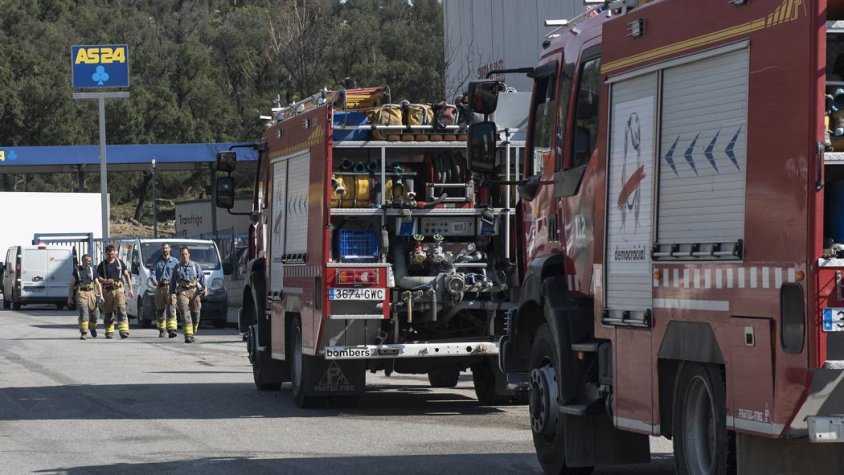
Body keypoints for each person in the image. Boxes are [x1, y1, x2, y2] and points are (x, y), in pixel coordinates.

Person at [170, 247, 207, 343]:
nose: (184, 256)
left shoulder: (195, 266)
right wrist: (171, 294)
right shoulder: (177, 267)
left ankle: (192, 331)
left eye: (185, 254)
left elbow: (202, 277)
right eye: (182, 254)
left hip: (194, 291)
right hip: (182, 291)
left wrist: (205, 288)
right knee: (185, 313)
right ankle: (188, 335)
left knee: (196, 314)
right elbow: (173, 281)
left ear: (189, 254)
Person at [97, 244, 134, 339]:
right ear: (106, 254)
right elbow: (98, 279)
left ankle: (124, 331)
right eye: (109, 254)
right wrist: (106, 281)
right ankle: (109, 332)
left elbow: (126, 275)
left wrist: (130, 289)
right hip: (107, 291)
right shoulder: (102, 265)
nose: (110, 256)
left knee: (121, 309)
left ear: (115, 253)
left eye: (112, 254)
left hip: (119, 290)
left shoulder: (120, 263)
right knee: (108, 312)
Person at [68, 254, 104, 340]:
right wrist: (70, 297)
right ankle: (84, 333)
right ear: (83, 261)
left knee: (95, 314)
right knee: (84, 313)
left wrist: (101, 296)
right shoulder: (76, 271)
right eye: (87, 260)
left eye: (89, 260)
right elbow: (71, 285)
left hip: (91, 293)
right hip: (81, 293)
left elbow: (98, 284)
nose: (89, 262)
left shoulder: (92, 270)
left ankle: (92, 327)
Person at [150, 243, 179, 338]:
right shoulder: (156, 261)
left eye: (166, 248)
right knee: (160, 310)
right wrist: (153, 280)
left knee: (171, 308)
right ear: (161, 250)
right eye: (163, 248)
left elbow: (179, 274)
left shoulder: (175, 262)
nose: (165, 250)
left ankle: (172, 330)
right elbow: (152, 272)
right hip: (160, 287)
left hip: (171, 287)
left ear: (169, 249)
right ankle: (162, 330)